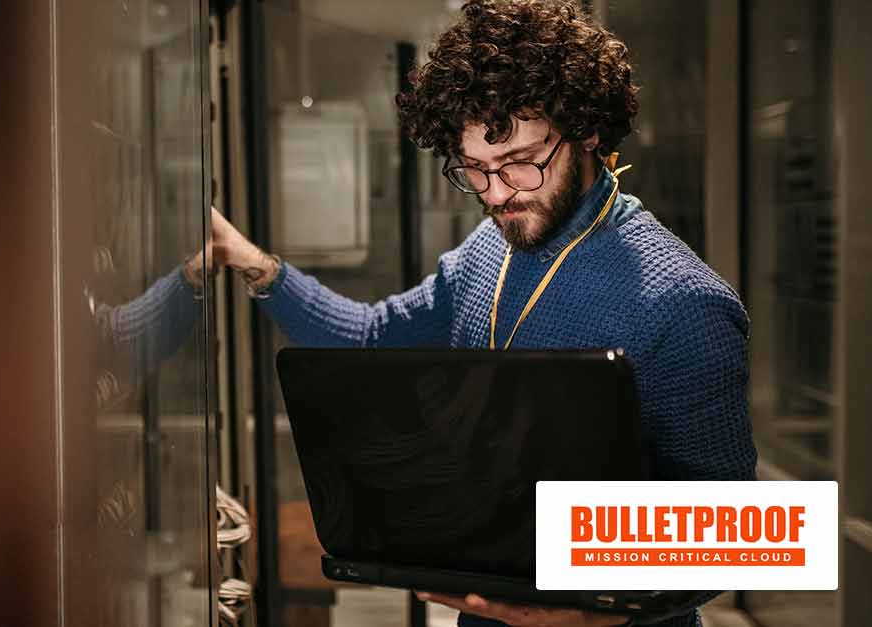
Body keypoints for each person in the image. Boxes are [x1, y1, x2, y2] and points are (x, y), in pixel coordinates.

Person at [207, 1, 757, 625]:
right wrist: (253, 262)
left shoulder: (683, 302)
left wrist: (583, 617)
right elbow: (374, 337)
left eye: (521, 162)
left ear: (588, 130)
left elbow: (734, 537)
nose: (496, 195)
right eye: (474, 170)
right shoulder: (488, 250)